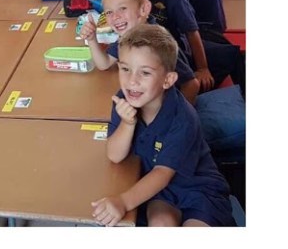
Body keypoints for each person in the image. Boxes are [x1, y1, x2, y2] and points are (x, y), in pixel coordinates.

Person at [91, 24, 234, 227]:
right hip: (159, 191)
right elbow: (114, 155)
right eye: (125, 69)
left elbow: (163, 173)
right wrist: (127, 123)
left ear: (168, 80)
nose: (132, 81)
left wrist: (122, 202)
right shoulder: (123, 100)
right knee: (160, 224)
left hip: (197, 187)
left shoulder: (183, 117)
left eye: (145, 73)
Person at [80, 0, 200, 103]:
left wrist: (175, 112)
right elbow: (104, 64)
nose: (115, 17)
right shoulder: (128, 36)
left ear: (144, 9)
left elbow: (192, 85)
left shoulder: (158, 43)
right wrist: (92, 39)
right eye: (109, 12)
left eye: (122, 8)